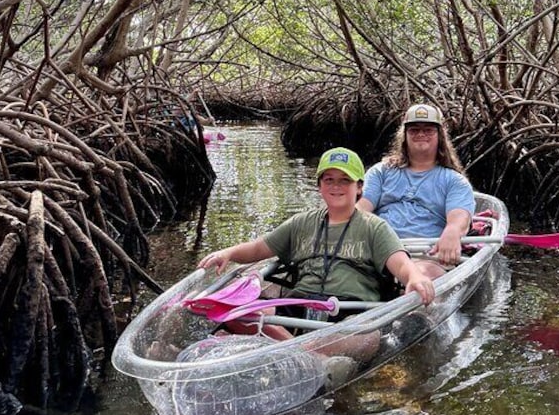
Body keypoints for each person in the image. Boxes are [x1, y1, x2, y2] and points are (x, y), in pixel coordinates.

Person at [197, 147, 435, 360]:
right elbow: (260, 248)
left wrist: (414, 278)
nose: (336, 186)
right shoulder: (301, 222)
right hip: (300, 301)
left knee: (368, 337)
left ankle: (286, 351)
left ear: (359, 187)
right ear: (319, 185)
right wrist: (228, 252)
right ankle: (306, 357)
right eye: (329, 179)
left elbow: (401, 264)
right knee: (234, 312)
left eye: (345, 180)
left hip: (349, 310)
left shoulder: (375, 227)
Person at [356, 103, 475, 278]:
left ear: (439, 135)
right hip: (380, 250)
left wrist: (453, 232)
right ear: (404, 135)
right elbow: (361, 208)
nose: (421, 134)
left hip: (426, 256)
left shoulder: (454, 181)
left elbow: (459, 219)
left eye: (428, 130)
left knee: (422, 277)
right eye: (414, 130)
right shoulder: (381, 172)